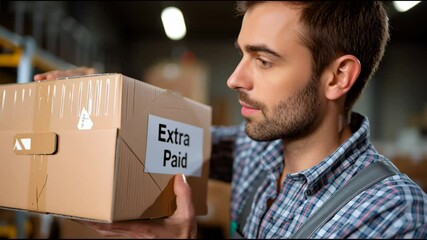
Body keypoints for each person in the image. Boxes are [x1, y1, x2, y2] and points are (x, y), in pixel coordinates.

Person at [34, 1, 427, 239]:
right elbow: (164, 135)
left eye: (264, 60)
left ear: (338, 76)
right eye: (242, 54)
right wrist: (103, 95)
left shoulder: (391, 211)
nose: (234, 79)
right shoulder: (256, 150)